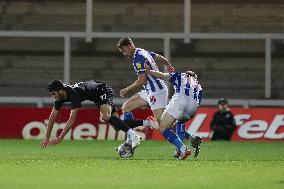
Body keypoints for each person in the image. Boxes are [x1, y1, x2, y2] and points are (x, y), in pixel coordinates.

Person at [40, 80, 158, 149]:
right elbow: (52, 118)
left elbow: (72, 120)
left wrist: (59, 138)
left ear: (60, 90)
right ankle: (147, 122)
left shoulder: (73, 94)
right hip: (97, 97)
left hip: (103, 90)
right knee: (117, 125)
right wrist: (47, 137)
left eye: (53, 93)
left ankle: (133, 135)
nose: (52, 96)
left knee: (106, 117)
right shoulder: (60, 98)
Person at [146, 67, 203, 160]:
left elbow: (163, 76)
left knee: (163, 127)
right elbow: (197, 105)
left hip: (181, 99)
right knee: (179, 124)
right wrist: (187, 117)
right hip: (193, 106)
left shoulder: (182, 75)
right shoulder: (199, 87)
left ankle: (183, 149)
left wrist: (149, 71)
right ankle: (183, 146)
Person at [117, 37, 174, 124]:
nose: (124, 54)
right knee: (126, 107)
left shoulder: (138, 59)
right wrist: (168, 64)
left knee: (163, 125)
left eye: (124, 50)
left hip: (156, 91)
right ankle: (133, 135)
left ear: (129, 46)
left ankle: (185, 134)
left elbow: (142, 80)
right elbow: (157, 57)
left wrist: (127, 89)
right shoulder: (142, 51)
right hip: (149, 91)